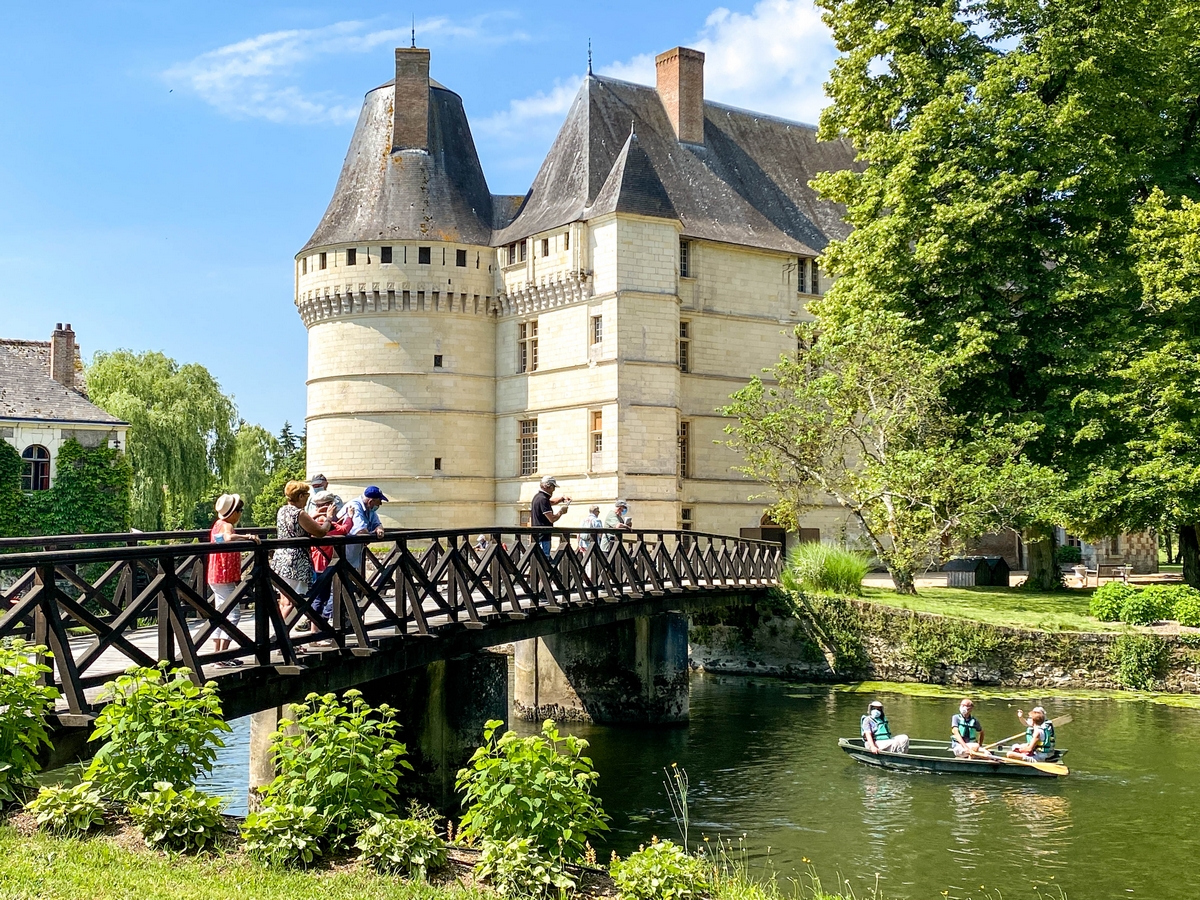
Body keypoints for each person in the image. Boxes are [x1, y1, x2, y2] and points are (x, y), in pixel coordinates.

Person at [207, 493, 259, 666]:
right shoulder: (227, 525)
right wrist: (248, 537)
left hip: (216, 574)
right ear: (233, 512)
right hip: (224, 576)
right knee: (233, 614)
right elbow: (228, 538)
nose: (241, 514)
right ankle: (223, 656)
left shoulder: (217, 524)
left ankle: (218, 655)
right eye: (240, 510)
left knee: (221, 614)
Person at [272, 480, 332, 620]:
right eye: (306, 494)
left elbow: (296, 527)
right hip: (295, 562)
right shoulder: (300, 513)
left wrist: (314, 515)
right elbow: (321, 532)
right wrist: (328, 518)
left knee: (284, 601)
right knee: (291, 602)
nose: (308, 497)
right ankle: (281, 636)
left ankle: (281, 636)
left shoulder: (282, 510)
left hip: (281, 559)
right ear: (300, 496)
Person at [307, 490, 353, 641]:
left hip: (315, 561)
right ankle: (316, 632)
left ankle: (318, 631)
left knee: (321, 596)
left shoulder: (312, 519)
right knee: (321, 597)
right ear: (328, 505)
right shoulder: (324, 521)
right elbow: (343, 531)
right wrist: (350, 518)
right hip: (322, 563)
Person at [344, 485, 388, 570]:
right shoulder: (355, 506)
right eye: (379, 501)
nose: (380, 504)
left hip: (354, 556)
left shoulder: (370, 509)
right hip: (342, 555)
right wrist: (371, 536)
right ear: (370, 501)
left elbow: (378, 524)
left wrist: (379, 529)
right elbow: (361, 531)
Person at [530, 476, 571, 556]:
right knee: (544, 562)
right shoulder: (543, 499)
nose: (554, 490)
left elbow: (551, 502)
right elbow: (552, 519)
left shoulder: (538, 497)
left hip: (537, 536)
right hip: (543, 537)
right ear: (547, 486)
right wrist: (561, 512)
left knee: (539, 562)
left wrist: (562, 499)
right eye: (553, 487)